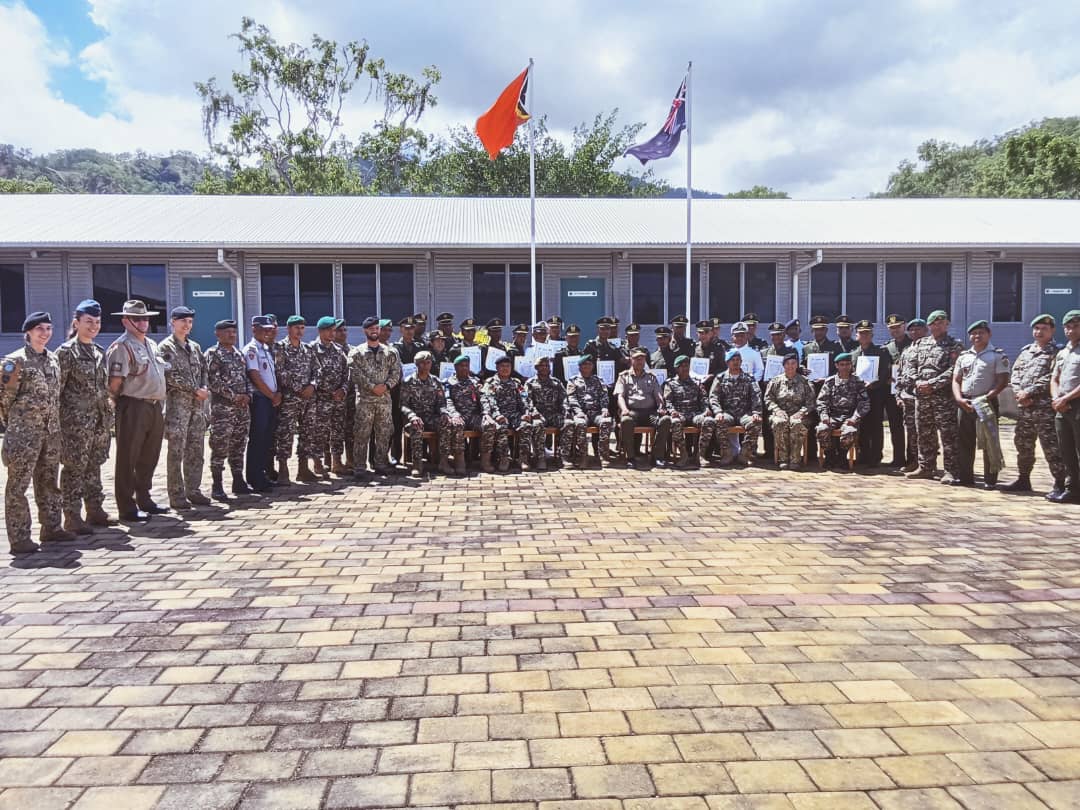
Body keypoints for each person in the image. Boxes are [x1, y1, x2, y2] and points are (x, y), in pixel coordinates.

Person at [2, 312, 73, 553]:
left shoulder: (53, 360)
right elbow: (4, 399)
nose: (45, 333)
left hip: (50, 433)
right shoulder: (15, 361)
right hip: (24, 435)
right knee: (18, 486)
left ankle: (52, 527)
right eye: (39, 328)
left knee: (49, 482)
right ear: (28, 332)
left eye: (48, 328)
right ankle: (20, 537)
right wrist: (18, 423)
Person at [56, 299, 115, 532]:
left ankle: (95, 510)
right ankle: (72, 516)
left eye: (97, 322)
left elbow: (103, 387)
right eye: (88, 321)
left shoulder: (98, 351)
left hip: (98, 421)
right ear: (76, 323)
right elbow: (57, 390)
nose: (93, 326)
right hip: (75, 424)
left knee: (94, 466)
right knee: (74, 469)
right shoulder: (66, 352)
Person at [107, 300, 168, 521]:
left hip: (154, 405)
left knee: (149, 456)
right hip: (133, 405)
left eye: (145, 318)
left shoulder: (151, 344)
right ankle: (126, 507)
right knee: (128, 456)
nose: (143, 323)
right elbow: (114, 383)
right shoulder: (122, 347)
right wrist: (120, 405)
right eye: (137, 319)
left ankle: (144, 498)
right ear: (126, 321)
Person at [1002, 314, 1066, 499]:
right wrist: (1018, 393)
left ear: (1052, 330)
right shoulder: (1026, 351)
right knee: (1023, 444)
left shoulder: (1057, 352)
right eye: (1036, 328)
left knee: (1051, 446)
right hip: (1025, 408)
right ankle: (1023, 479)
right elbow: (1015, 373)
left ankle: (1060, 483)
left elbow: (1052, 376)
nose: (1039, 332)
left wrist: (1029, 392)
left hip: (1044, 408)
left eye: (1044, 329)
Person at [159, 305, 211, 509]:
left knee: (196, 450)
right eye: (182, 321)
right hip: (177, 409)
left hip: (197, 408)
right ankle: (176, 494)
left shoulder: (195, 347)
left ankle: (194, 490)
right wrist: (194, 389)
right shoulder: (165, 348)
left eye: (189, 322)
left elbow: (204, 371)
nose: (186, 325)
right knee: (176, 452)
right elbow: (169, 375)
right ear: (173, 322)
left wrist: (204, 387)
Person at [905, 310, 964, 482]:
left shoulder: (955, 345)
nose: (937, 327)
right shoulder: (920, 343)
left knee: (948, 435)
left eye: (941, 323)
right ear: (929, 326)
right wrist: (917, 381)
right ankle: (926, 467)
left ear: (947, 324)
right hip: (922, 396)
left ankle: (951, 471)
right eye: (933, 324)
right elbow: (910, 365)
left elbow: (955, 370)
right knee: (924, 433)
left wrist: (932, 384)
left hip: (943, 398)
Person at [952, 320, 1010, 489]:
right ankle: (965, 477)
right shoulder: (964, 356)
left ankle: (990, 480)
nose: (977, 336)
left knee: (989, 441)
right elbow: (956, 380)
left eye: (981, 333)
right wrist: (959, 398)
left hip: (986, 402)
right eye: (974, 333)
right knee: (964, 441)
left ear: (989, 334)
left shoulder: (997, 355)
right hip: (965, 402)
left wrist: (986, 398)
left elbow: (1002, 381)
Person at [349, 316, 402, 477]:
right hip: (365, 401)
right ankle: (359, 467)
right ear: (365, 331)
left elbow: (396, 373)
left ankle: (381, 463)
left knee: (384, 433)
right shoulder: (356, 352)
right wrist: (372, 387)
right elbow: (355, 374)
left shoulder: (390, 352)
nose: (374, 331)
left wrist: (386, 386)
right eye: (371, 328)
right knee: (361, 434)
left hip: (384, 400)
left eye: (376, 328)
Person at [205, 319, 251, 501]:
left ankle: (238, 480)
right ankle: (217, 485)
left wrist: (248, 395)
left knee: (239, 444)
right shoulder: (213, 354)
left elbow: (246, 378)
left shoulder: (238, 354)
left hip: (242, 409)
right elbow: (213, 381)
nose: (232, 335)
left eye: (234, 332)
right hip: (223, 410)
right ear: (217, 334)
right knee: (220, 446)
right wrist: (234, 396)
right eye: (227, 332)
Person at [274, 316, 318, 483]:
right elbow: (280, 371)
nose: (299, 331)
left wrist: (312, 385)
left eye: (302, 328)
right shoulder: (280, 347)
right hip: (290, 398)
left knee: (308, 432)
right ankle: (283, 469)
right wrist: (299, 388)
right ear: (288, 329)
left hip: (308, 399)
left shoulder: (308, 349)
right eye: (296, 328)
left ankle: (303, 468)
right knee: (285, 433)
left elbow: (317, 370)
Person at [484, 354, 544, 471]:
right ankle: (504, 458)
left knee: (525, 426)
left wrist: (526, 413)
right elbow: (490, 400)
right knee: (501, 427)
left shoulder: (516, 383)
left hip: (515, 414)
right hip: (500, 415)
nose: (505, 368)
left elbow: (524, 399)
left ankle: (523, 458)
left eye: (508, 366)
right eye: (502, 366)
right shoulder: (491, 383)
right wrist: (497, 415)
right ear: (497, 368)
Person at [400, 350, 455, 477]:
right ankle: (417, 464)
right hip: (415, 418)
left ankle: (443, 461)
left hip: (431, 417)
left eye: (428, 362)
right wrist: (412, 416)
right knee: (416, 427)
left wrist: (444, 413)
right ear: (416, 364)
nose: (425, 366)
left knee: (446, 424)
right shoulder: (408, 382)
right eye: (422, 363)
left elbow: (441, 403)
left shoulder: (436, 381)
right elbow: (403, 405)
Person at [615, 346, 671, 468]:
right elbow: (620, 396)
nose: (640, 361)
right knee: (626, 421)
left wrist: (661, 406)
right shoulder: (623, 376)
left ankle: (657, 456)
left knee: (665, 420)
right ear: (631, 360)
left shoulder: (651, 377)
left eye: (642, 359)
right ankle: (630, 457)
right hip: (632, 412)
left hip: (650, 412)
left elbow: (658, 395)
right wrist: (624, 409)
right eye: (637, 359)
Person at [444, 354, 499, 472]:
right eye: (461, 366)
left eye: (466, 365)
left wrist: (486, 414)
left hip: (474, 416)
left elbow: (483, 398)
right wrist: (454, 414)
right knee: (457, 425)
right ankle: (459, 460)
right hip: (459, 416)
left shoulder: (475, 382)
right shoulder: (449, 382)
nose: (464, 368)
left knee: (489, 425)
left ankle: (485, 461)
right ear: (455, 367)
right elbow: (447, 400)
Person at [244, 315, 280, 493]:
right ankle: (255, 478)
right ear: (254, 329)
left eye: (269, 330)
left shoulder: (265, 348)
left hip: (270, 399)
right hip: (260, 399)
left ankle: (262, 475)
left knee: (266, 439)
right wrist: (271, 395)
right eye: (263, 329)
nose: (267, 333)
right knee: (258, 439)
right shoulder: (251, 349)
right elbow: (255, 376)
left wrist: (275, 394)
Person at [850, 319, 892, 469]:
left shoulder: (881, 352)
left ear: (872, 335)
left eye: (867, 333)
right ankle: (863, 455)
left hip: (875, 394)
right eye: (861, 333)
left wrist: (874, 383)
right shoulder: (853, 354)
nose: (864, 336)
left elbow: (885, 373)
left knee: (875, 426)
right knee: (861, 425)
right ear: (856, 335)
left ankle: (875, 456)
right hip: (859, 395)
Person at [709, 350, 763, 465]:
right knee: (719, 422)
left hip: (744, 413)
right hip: (727, 413)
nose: (735, 362)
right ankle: (727, 454)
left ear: (741, 362)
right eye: (732, 360)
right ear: (727, 362)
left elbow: (756, 395)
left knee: (756, 422)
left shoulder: (749, 378)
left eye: (738, 360)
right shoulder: (720, 378)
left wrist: (756, 412)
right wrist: (718, 412)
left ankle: (744, 455)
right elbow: (713, 397)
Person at [816, 352, 869, 470]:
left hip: (850, 417)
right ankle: (829, 456)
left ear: (851, 365)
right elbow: (821, 401)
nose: (845, 367)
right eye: (842, 364)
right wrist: (824, 416)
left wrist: (855, 418)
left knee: (850, 431)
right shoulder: (830, 382)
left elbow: (864, 403)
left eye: (847, 364)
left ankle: (842, 457)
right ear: (837, 366)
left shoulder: (858, 382)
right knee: (821, 429)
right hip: (832, 416)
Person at [311, 316, 350, 476]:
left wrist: (343, 390)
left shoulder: (338, 350)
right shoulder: (312, 349)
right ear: (320, 331)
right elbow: (309, 374)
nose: (333, 333)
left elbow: (347, 373)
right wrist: (325, 390)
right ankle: (318, 463)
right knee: (319, 432)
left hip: (338, 399)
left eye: (334, 330)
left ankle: (336, 462)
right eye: (329, 330)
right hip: (321, 399)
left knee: (337, 431)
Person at [664, 354, 716, 467]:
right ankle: (684, 454)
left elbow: (704, 399)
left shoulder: (697, 383)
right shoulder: (670, 384)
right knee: (675, 422)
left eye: (687, 366)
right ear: (676, 369)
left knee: (709, 421)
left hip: (695, 414)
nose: (685, 368)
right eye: (682, 366)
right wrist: (672, 411)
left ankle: (700, 455)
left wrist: (706, 409)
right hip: (679, 413)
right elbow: (667, 402)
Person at [1050, 309, 1080, 503]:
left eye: (1075, 326)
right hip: (1062, 406)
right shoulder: (1063, 352)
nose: (1071, 330)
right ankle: (1072, 489)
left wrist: (1066, 398)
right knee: (1066, 450)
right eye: (1067, 327)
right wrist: (1056, 399)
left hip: (1076, 404)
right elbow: (1055, 378)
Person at [765, 353, 815, 470]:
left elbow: (811, 402)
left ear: (797, 365)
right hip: (780, 413)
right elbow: (768, 399)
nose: (790, 366)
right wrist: (776, 410)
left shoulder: (805, 382)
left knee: (796, 423)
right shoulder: (776, 381)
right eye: (787, 363)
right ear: (783, 365)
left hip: (800, 415)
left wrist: (801, 412)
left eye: (793, 363)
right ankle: (783, 458)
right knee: (779, 422)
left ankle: (795, 459)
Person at [802, 314, 840, 463]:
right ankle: (811, 454)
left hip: (829, 390)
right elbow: (801, 366)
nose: (819, 332)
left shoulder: (835, 347)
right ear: (812, 331)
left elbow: (838, 369)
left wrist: (828, 378)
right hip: (812, 389)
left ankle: (830, 455)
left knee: (827, 420)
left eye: (822, 329)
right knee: (811, 420)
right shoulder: (807, 348)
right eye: (816, 330)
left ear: (826, 330)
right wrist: (803, 370)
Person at [565, 354, 613, 466]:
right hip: (581, 412)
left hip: (597, 413)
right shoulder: (573, 381)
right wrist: (578, 411)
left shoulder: (598, 380)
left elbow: (604, 395)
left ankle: (603, 456)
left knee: (606, 421)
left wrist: (604, 408)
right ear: (579, 367)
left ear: (592, 366)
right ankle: (583, 456)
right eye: (584, 364)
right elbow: (571, 398)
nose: (587, 366)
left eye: (589, 364)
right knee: (580, 423)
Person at [526, 356, 573, 469]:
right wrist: (533, 411)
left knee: (569, 423)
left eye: (547, 365)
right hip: (539, 414)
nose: (545, 368)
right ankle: (540, 457)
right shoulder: (530, 383)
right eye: (542, 366)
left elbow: (564, 398)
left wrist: (566, 409)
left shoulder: (556, 382)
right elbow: (527, 400)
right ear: (536, 368)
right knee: (537, 425)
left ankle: (563, 456)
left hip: (554, 413)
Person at [894, 318, 928, 472]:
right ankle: (914, 461)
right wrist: (898, 395)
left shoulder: (931, 347)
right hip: (908, 398)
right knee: (912, 432)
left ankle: (927, 464)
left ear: (925, 330)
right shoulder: (907, 350)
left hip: (926, 397)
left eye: (918, 329)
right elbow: (900, 374)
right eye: (912, 330)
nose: (915, 332)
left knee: (926, 433)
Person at [882, 314, 911, 466]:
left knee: (913, 427)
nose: (895, 330)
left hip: (911, 392)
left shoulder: (913, 344)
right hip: (893, 392)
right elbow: (884, 369)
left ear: (904, 326)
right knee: (895, 426)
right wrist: (886, 378)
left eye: (897, 327)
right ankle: (898, 458)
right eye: (892, 328)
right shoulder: (887, 347)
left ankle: (913, 459)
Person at [333, 319, 355, 469]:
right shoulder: (331, 350)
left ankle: (351, 459)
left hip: (351, 395)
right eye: (339, 330)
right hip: (336, 396)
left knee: (351, 428)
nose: (343, 333)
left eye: (344, 330)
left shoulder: (352, 350)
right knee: (335, 429)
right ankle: (333, 461)